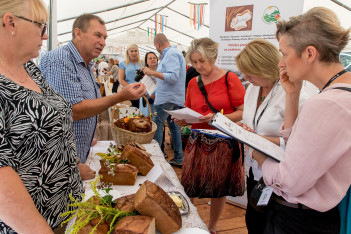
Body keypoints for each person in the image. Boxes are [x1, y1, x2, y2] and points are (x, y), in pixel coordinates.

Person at [246, 7, 351, 233]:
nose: (280, 63)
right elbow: (296, 147)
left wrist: (256, 152)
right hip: (313, 217)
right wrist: (292, 96)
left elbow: (290, 181)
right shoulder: (340, 94)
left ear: (309, 54)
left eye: (284, 53)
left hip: (298, 219)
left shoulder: (325, 103)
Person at [0, 0, 84, 232]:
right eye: (40, 26)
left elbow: (50, 125)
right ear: (10, 23)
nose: (45, 36)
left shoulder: (30, 69)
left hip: (68, 213)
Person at [39, 14, 146, 165]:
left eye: (105, 38)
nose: (102, 42)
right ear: (78, 33)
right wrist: (120, 96)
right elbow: (72, 111)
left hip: (77, 153)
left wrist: (87, 137)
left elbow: (85, 106)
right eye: (97, 35)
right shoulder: (61, 59)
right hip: (60, 162)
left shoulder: (86, 64)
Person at [235, 38, 308, 234]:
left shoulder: (295, 93)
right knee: (254, 221)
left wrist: (255, 139)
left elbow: (298, 140)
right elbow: (251, 121)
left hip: (280, 176)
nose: (246, 77)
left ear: (265, 68)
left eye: (250, 72)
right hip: (255, 170)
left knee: (269, 225)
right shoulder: (252, 89)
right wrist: (243, 129)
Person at [175, 37, 246, 234]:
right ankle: (187, 223)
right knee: (190, 183)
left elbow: (242, 111)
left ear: (213, 58)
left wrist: (216, 118)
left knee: (218, 187)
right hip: (197, 139)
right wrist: (183, 120)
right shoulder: (192, 82)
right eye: (195, 62)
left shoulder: (229, 78)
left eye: (202, 61)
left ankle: (212, 227)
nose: (198, 66)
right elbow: (190, 110)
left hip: (223, 142)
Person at [141, 33, 186, 166]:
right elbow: (168, 77)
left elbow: (173, 77)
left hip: (167, 98)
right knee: (173, 127)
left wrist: (151, 73)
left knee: (158, 125)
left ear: (157, 45)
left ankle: (157, 159)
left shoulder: (171, 54)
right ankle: (178, 157)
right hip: (172, 97)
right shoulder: (172, 54)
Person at [119, 43, 143, 108]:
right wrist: (131, 88)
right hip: (129, 91)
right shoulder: (123, 64)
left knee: (140, 112)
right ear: (128, 52)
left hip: (141, 91)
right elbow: (121, 79)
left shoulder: (143, 63)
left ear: (138, 52)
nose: (134, 53)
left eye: (135, 51)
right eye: (132, 51)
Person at [139, 52, 157, 116]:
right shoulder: (143, 72)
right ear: (146, 61)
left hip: (158, 101)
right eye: (150, 58)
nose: (153, 59)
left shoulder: (160, 72)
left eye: (154, 58)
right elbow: (140, 87)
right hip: (147, 101)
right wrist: (152, 96)